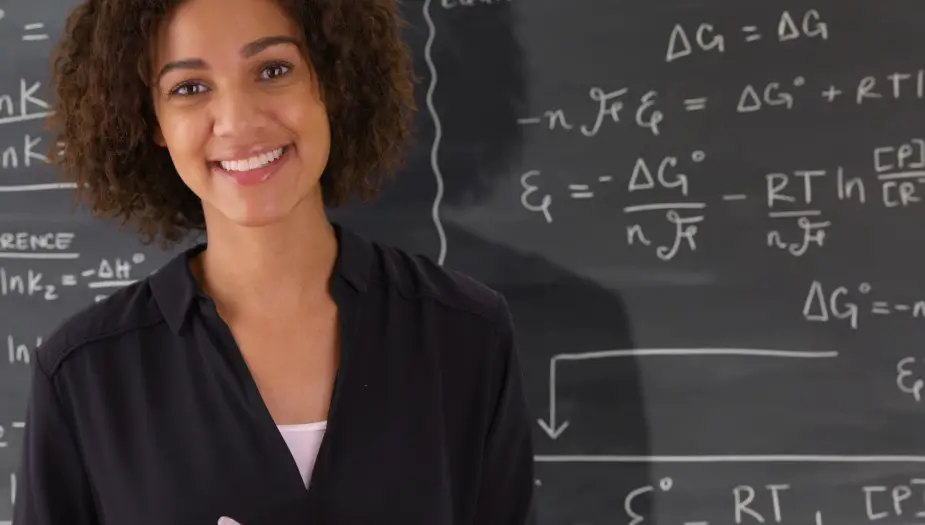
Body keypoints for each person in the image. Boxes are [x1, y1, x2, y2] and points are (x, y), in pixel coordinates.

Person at [12, 0, 536, 523]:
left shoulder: (466, 334)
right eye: (189, 88)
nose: (238, 122)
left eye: (273, 70)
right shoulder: (85, 375)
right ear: (151, 119)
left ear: (333, 79)